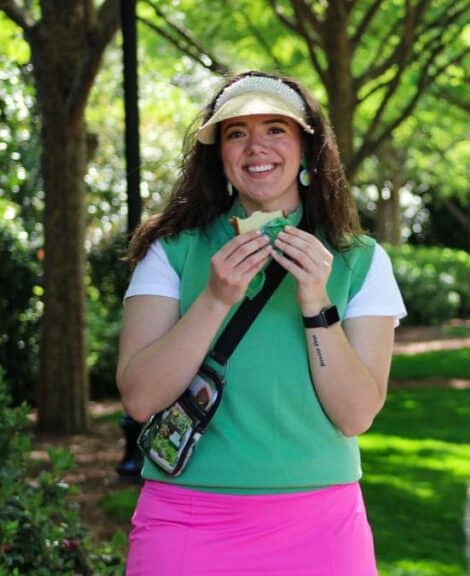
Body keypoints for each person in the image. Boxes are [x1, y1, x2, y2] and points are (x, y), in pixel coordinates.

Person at [118, 71, 406, 575]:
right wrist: (215, 299)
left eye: (276, 129)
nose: (256, 146)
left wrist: (317, 302)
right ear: (220, 155)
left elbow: (356, 415)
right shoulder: (173, 250)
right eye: (237, 132)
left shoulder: (359, 259)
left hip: (322, 524)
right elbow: (140, 399)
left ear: (306, 149)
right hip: (188, 519)